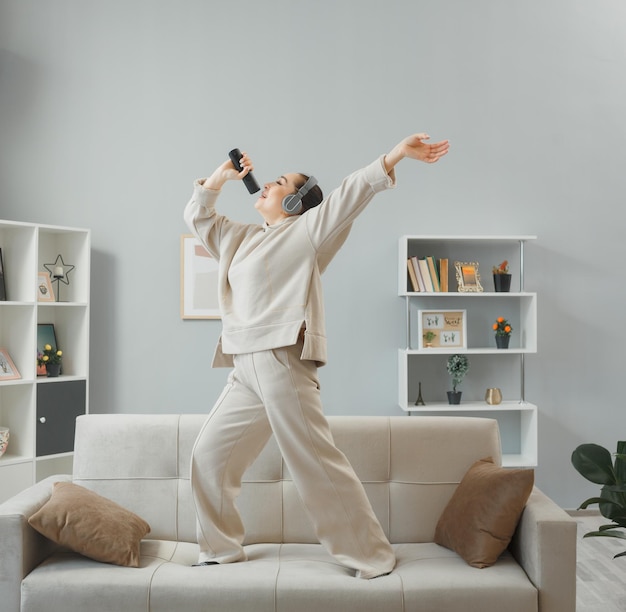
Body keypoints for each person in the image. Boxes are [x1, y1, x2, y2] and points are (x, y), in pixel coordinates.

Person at [184, 133, 449, 579]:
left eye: (281, 183)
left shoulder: (308, 232)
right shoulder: (241, 239)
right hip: (243, 365)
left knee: (314, 463)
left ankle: (370, 556)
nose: (267, 184)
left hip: (283, 360)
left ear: (295, 203)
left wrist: (396, 154)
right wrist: (222, 176)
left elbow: (352, 193)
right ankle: (219, 550)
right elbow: (198, 215)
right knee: (208, 456)